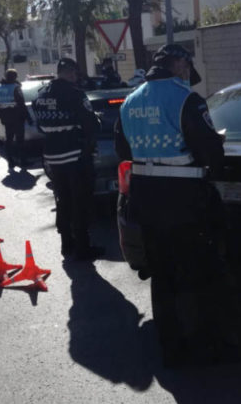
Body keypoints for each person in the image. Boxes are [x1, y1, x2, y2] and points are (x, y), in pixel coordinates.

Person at [114, 44, 227, 367]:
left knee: (162, 276)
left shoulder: (131, 100)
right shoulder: (186, 99)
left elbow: (124, 151)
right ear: (178, 63)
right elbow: (210, 154)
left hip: (146, 200)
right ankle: (203, 346)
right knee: (194, 272)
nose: (187, 72)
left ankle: (171, 349)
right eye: (186, 65)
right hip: (184, 200)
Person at [33, 58, 104, 261]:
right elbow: (90, 124)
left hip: (52, 156)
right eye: (74, 73)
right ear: (69, 72)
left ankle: (66, 244)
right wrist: (96, 121)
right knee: (80, 201)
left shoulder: (41, 95)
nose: (75, 76)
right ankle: (83, 247)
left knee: (62, 200)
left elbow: (40, 125)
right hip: (75, 155)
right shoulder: (74, 94)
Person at [0, 68, 32, 171]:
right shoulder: (15, 88)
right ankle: (23, 161)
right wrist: (28, 118)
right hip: (17, 118)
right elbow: (21, 104)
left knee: (9, 140)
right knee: (20, 141)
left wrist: (2, 117)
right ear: (14, 77)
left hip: (7, 119)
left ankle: (10, 162)